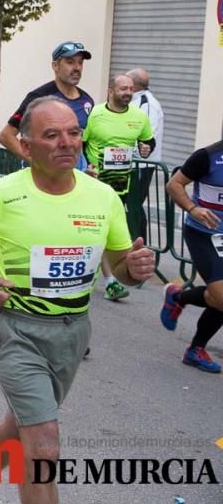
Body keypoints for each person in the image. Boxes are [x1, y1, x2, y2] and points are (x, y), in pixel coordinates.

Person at [0, 96, 154, 504]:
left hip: (74, 331)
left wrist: (136, 268)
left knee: (25, 418)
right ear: (26, 147)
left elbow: (122, 267)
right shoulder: (1, 194)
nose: (67, 143)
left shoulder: (103, 198)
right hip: (14, 327)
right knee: (42, 445)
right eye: (52, 135)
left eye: (74, 133)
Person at [83, 74, 155, 301]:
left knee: (101, 231)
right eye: (123, 88)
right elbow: (81, 143)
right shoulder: (95, 114)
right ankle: (110, 280)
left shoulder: (139, 116)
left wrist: (146, 149)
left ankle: (91, 269)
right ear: (110, 90)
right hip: (95, 182)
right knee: (101, 229)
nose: (127, 92)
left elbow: (148, 141)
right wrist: (86, 167)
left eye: (131, 89)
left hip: (121, 185)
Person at [162, 139, 223, 373]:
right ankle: (196, 349)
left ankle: (177, 298)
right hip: (204, 234)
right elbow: (174, 184)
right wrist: (193, 209)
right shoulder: (208, 156)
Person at [0, 41, 95, 168]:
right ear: (55, 66)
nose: (77, 68)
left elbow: (82, 142)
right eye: (70, 62)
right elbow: (6, 136)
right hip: (42, 181)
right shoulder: (38, 97)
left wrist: (86, 167)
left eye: (80, 62)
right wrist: (38, 164)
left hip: (73, 180)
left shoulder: (87, 101)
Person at [127, 67, 165, 238]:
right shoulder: (133, 100)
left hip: (140, 165)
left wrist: (130, 155)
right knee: (128, 205)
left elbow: (147, 136)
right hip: (130, 164)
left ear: (133, 84)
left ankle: (139, 246)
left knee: (133, 205)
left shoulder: (147, 104)